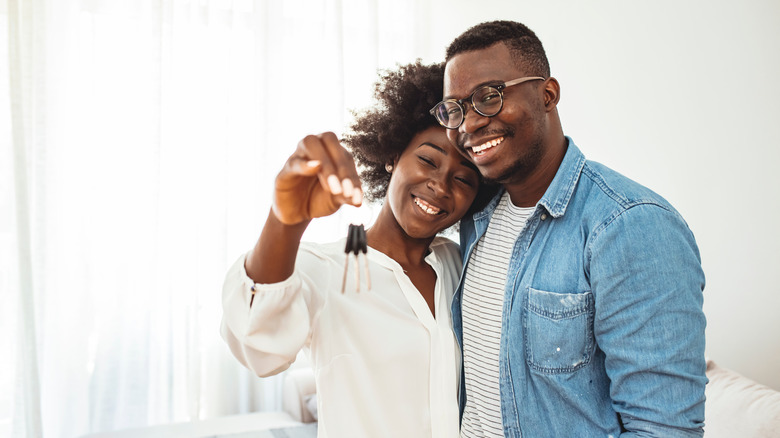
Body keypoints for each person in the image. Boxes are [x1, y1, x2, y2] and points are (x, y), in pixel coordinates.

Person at [429, 20, 707, 437]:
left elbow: (663, 428)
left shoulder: (629, 225)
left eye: (489, 97)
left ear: (548, 94)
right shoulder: (475, 219)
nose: (468, 125)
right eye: (456, 108)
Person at [221, 61, 494, 438]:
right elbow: (258, 347)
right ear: (393, 156)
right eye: (428, 160)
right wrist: (286, 222)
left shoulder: (461, 264)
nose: (441, 185)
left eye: (464, 178)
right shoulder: (327, 268)